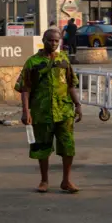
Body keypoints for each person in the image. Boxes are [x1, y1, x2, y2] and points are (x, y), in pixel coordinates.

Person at [15, 29, 83, 194]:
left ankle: (66, 181)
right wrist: (26, 111)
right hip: (41, 112)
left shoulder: (63, 59)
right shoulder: (33, 62)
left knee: (68, 146)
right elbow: (25, 89)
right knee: (42, 147)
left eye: (56, 41)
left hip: (64, 111)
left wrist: (78, 104)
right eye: (50, 40)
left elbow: (71, 84)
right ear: (43, 40)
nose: (53, 43)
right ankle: (44, 180)